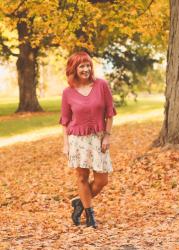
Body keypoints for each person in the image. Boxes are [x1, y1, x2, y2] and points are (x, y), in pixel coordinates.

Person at [59, 51, 117, 228]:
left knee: (102, 180)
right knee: (82, 178)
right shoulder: (68, 92)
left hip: (98, 138)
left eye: (88, 65)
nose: (85, 69)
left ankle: (79, 202)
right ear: (74, 69)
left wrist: (107, 136)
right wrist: (66, 144)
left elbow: (109, 113)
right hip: (78, 139)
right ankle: (90, 216)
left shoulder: (101, 85)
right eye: (81, 66)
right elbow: (65, 120)